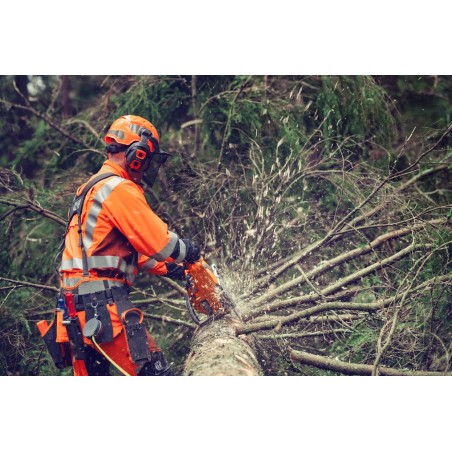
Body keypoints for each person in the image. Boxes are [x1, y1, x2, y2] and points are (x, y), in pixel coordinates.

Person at [47, 114, 201, 376]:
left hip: (73, 310)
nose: (147, 166)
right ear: (137, 154)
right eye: (147, 159)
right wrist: (189, 252)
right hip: (102, 306)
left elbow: (121, 252)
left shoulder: (91, 188)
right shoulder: (118, 188)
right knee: (157, 377)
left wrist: (171, 269)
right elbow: (160, 243)